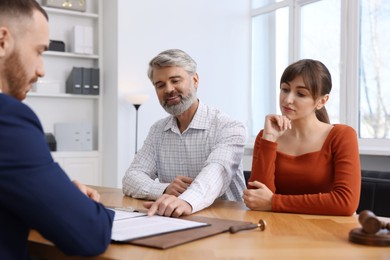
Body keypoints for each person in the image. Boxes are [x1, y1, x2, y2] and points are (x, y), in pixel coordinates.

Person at [0, 0, 114, 258]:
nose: (41, 70)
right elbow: (89, 234)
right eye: (40, 51)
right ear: (2, 41)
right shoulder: (7, 117)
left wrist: (53, 192)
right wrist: (76, 203)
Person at [122, 49, 247, 217]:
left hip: (229, 222)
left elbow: (216, 173)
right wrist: (165, 189)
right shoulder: (157, 131)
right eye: (160, 85)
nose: (168, 89)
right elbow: (131, 178)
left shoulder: (229, 127)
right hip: (176, 219)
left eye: (175, 80)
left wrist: (186, 200)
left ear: (194, 80)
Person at [243, 59, 361, 216]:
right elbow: (256, 200)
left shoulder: (342, 136)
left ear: (321, 101)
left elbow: (345, 203)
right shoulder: (265, 136)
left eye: (300, 94)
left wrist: (274, 202)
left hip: (327, 233)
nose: (287, 99)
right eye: (285, 89)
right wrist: (269, 140)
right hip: (275, 232)